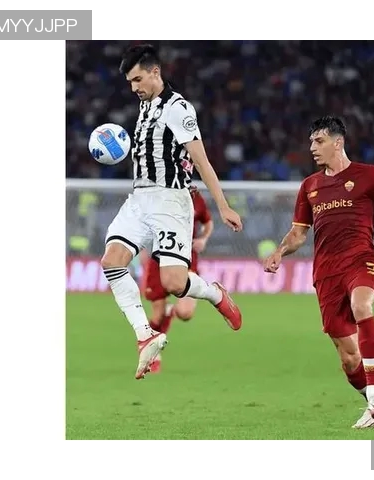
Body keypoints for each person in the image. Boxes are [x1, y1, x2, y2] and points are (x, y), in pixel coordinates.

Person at [100, 44, 243, 380]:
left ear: (155, 72)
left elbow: (202, 161)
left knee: (175, 283)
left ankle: (214, 293)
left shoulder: (178, 109)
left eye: (138, 79)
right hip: (139, 198)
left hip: (171, 201)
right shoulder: (145, 106)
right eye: (130, 82)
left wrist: (223, 205)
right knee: (111, 261)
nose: (134, 87)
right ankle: (145, 335)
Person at [263, 116, 374, 428]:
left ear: (338, 142)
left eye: (319, 141)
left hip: (361, 260)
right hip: (326, 273)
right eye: (311, 142)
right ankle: (372, 403)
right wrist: (279, 251)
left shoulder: (369, 175)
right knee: (349, 358)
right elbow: (299, 233)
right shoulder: (309, 186)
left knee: (362, 306)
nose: (312, 147)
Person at [143, 186, 214, 372]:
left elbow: (208, 221)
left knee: (185, 312)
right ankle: (152, 353)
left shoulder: (195, 196)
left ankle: (170, 312)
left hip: (187, 260)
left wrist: (204, 239)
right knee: (157, 315)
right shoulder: (158, 193)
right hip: (158, 260)